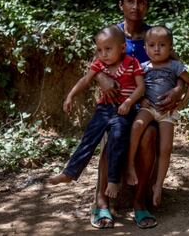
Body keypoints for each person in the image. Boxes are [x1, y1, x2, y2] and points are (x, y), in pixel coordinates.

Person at [93, 0, 185, 229]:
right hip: (118, 105)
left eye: (141, 1)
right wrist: (102, 78)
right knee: (114, 133)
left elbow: (179, 71)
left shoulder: (154, 36)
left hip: (148, 108)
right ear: (121, 5)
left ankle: (140, 201)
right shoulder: (114, 34)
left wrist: (177, 90)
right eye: (130, 1)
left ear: (147, 6)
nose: (136, 6)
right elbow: (95, 66)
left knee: (150, 136)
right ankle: (101, 201)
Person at [48, 25, 145, 226]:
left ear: (122, 47)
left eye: (108, 49)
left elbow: (141, 87)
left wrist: (128, 102)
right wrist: (71, 95)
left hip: (123, 111)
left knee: (117, 140)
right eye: (99, 50)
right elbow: (86, 79)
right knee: (88, 139)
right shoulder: (100, 65)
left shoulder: (132, 62)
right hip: (104, 110)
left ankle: (113, 181)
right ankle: (70, 172)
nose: (103, 54)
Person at [126, 25, 189, 208]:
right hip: (148, 108)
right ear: (145, 48)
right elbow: (136, 88)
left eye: (162, 45)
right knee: (137, 126)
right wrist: (141, 101)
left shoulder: (175, 66)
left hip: (167, 113)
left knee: (166, 148)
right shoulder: (142, 67)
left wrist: (183, 102)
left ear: (171, 48)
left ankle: (158, 186)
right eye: (152, 45)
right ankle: (130, 165)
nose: (157, 49)